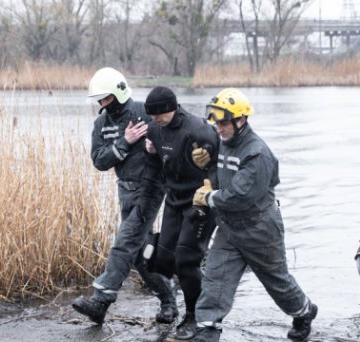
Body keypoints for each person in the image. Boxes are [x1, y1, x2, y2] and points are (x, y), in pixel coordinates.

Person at [187, 88, 318, 341]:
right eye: (217, 122)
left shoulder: (257, 153)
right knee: (215, 279)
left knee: (277, 282)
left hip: (260, 229)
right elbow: (222, 176)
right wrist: (206, 165)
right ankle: (207, 331)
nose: (219, 128)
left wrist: (209, 198)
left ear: (241, 120)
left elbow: (239, 196)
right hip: (229, 229)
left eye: (224, 122)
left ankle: (304, 312)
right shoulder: (223, 142)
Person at [71, 67, 177, 325]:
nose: (101, 103)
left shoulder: (144, 112)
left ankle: (101, 301)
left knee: (124, 242)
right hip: (125, 190)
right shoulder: (101, 124)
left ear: (118, 93)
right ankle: (168, 299)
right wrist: (125, 142)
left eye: (105, 98)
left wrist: (157, 148)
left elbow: (176, 134)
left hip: (150, 190)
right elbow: (99, 161)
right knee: (140, 257)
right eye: (99, 99)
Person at [138, 86, 218, 340]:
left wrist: (211, 186)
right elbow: (153, 167)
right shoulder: (154, 130)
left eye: (158, 114)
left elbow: (223, 164)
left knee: (186, 260)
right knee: (161, 260)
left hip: (200, 202)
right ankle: (202, 291)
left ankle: (195, 315)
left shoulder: (199, 129)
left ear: (170, 108)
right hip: (174, 200)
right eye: (151, 116)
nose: (154, 119)